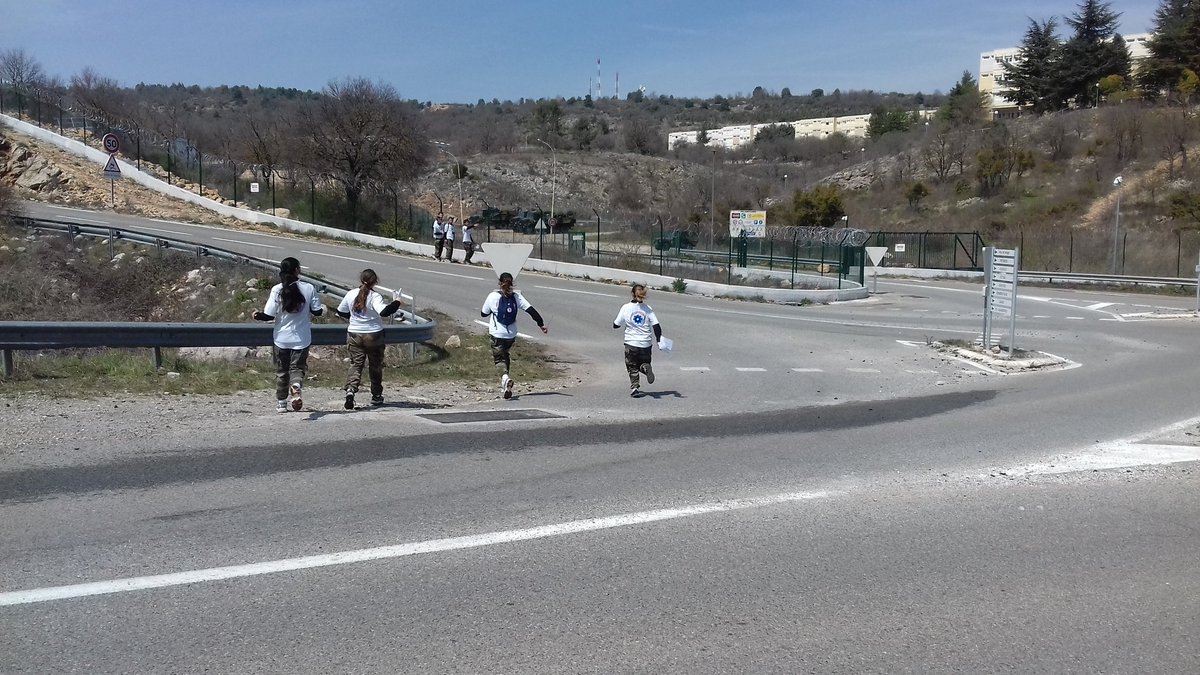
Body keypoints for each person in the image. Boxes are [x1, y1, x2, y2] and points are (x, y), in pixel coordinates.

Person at [253, 257, 324, 412]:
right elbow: (317, 311)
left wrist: (257, 315)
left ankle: (281, 403)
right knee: (297, 368)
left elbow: (269, 315)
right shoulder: (309, 288)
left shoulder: (277, 289)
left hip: (281, 338)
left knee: (282, 371)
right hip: (302, 338)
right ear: (297, 270)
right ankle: (296, 385)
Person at [336, 268, 404, 409]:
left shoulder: (350, 294)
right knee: (375, 365)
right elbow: (384, 312)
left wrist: (354, 319)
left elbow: (340, 311)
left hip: (354, 334)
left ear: (361, 280)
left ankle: (350, 390)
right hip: (374, 335)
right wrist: (396, 302)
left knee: (356, 364)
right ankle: (376, 395)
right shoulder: (375, 297)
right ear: (375, 282)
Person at [481, 272, 547, 399]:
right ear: (512, 283)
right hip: (511, 335)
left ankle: (505, 378)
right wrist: (541, 324)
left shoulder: (492, 296)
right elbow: (531, 310)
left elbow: (483, 313)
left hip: (497, 334)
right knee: (505, 355)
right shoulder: (517, 297)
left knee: (499, 359)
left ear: (500, 283)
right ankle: (506, 386)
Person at [613, 283, 663, 398]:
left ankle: (635, 387)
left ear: (632, 294)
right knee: (643, 362)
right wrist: (659, 340)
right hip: (646, 343)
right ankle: (646, 368)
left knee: (632, 366)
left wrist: (618, 324)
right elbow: (656, 326)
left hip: (631, 343)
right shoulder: (648, 309)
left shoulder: (625, 308)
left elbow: (616, 324)